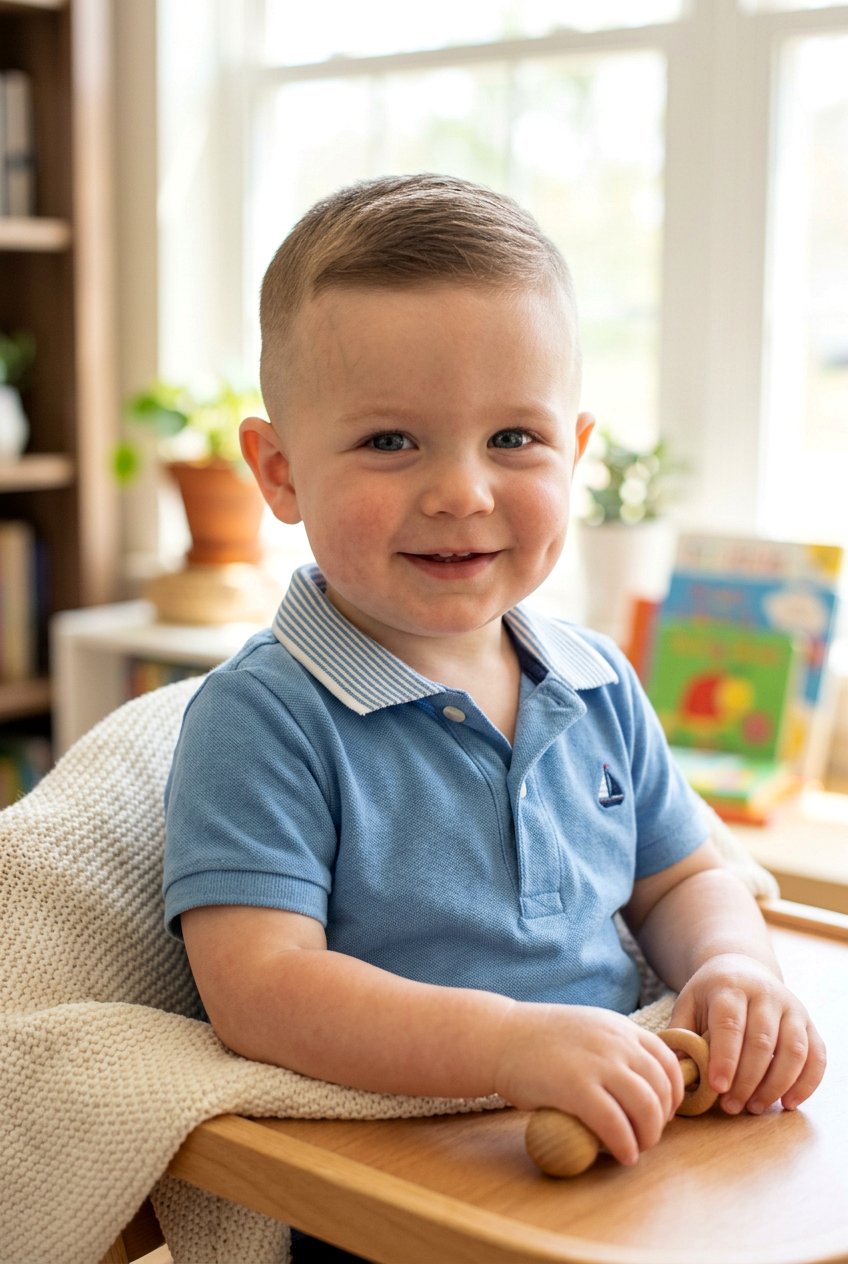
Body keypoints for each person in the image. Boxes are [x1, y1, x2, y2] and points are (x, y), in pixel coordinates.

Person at [163, 175, 825, 1254]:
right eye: (391, 441)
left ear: (576, 450)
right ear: (279, 473)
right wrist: (510, 1045)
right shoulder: (265, 719)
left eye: (514, 437)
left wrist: (732, 967)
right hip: (402, 1197)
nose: (461, 492)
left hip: (634, 1152)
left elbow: (681, 876)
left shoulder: (597, 680)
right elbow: (261, 989)